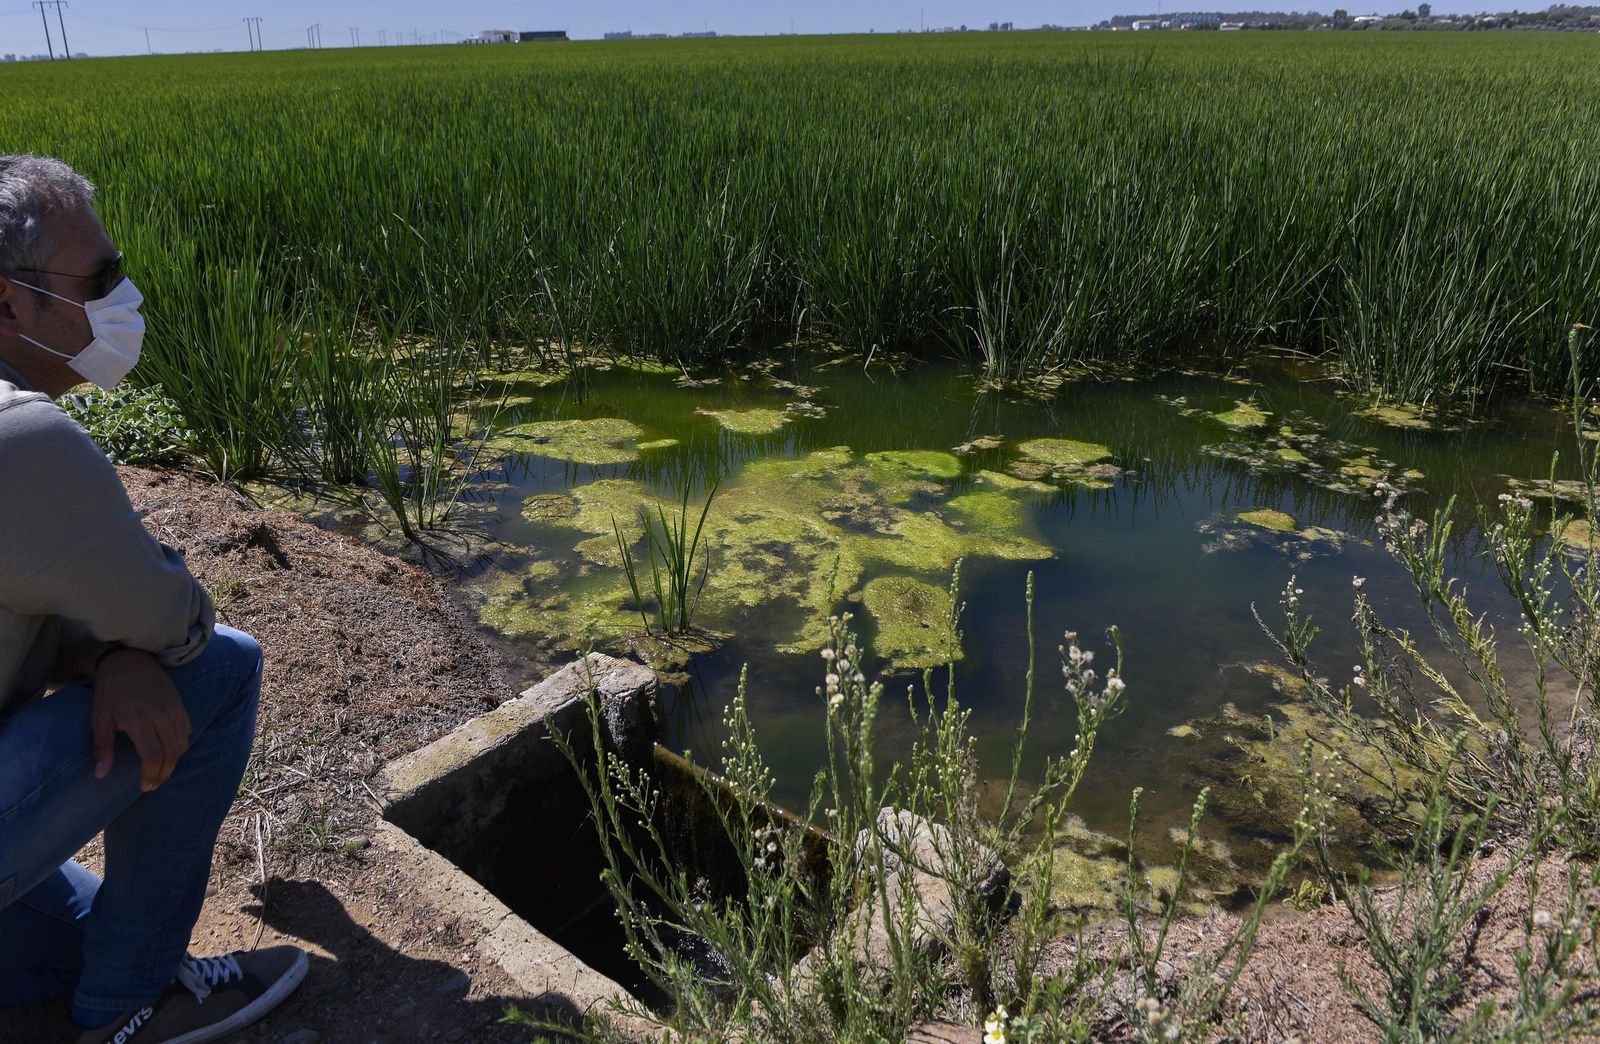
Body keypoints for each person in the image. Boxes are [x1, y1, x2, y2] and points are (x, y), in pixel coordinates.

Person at [0, 155, 306, 1043]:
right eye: (99, 278)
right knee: (224, 669)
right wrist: (132, 647)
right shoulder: (25, 441)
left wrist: (105, 650)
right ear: (8, 304)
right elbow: (177, 623)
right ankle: (127, 1006)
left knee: (74, 930)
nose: (120, 296)